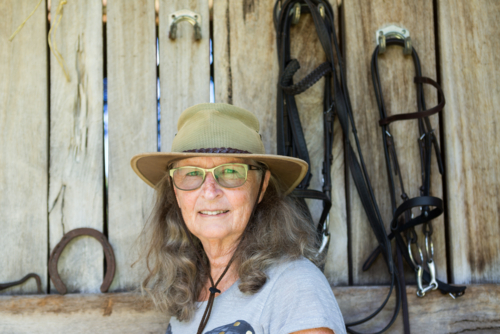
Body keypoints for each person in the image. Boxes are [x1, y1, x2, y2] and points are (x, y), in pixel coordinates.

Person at [131, 103, 346, 334]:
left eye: (231, 172)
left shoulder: (294, 286)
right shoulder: (186, 295)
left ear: (262, 186)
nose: (210, 192)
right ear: (175, 190)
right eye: (192, 173)